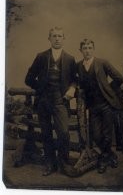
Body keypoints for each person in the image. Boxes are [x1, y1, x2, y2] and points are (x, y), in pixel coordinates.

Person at [25, 27, 76, 176]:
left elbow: (75, 79)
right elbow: (28, 79)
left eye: (60, 36)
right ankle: (50, 164)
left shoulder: (70, 59)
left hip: (60, 100)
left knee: (64, 133)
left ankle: (64, 164)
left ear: (64, 38)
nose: (57, 38)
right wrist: (40, 88)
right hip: (43, 101)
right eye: (54, 36)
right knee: (46, 133)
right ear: (49, 38)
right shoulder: (41, 57)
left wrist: (72, 88)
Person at [77, 39, 123, 174]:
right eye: (85, 48)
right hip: (92, 107)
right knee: (96, 135)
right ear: (81, 50)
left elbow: (119, 78)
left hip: (106, 104)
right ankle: (111, 155)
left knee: (107, 135)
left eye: (90, 47)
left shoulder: (102, 63)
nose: (87, 50)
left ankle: (103, 160)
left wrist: (108, 88)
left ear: (93, 49)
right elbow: (80, 83)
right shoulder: (79, 65)